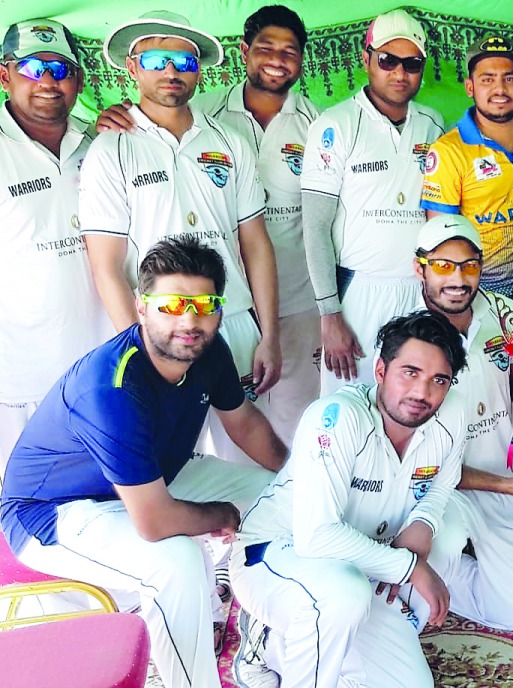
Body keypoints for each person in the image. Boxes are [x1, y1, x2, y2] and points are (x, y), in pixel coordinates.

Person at [0, 236, 287, 688]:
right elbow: (155, 522)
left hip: (153, 479)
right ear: (141, 306)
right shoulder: (111, 386)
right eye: (172, 304)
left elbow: (245, 424)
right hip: (56, 510)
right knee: (175, 562)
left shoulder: (208, 349)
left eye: (205, 304)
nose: (189, 320)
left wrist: (295, 478)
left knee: (280, 502)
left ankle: (255, 643)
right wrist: (225, 516)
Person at [96, 6, 322, 446]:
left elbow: (255, 243)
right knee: (177, 457)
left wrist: (269, 335)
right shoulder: (112, 149)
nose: (171, 72)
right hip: (158, 330)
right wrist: (139, 351)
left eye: (183, 62)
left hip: (233, 321)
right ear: (132, 67)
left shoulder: (227, 141)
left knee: (250, 446)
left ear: (198, 69)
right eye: (157, 61)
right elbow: (106, 266)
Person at [231, 311, 468, 688]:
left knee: (449, 531)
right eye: (410, 372)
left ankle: (283, 644)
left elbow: (443, 482)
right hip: (277, 554)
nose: (422, 393)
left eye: (438, 380)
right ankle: (270, 633)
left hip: (360, 559)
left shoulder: (451, 411)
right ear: (379, 371)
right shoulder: (337, 417)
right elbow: (316, 536)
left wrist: (424, 521)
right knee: (343, 595)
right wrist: (409, 567)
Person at [363, 214, 513, 631]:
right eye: (443, 265)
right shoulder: (404, 330)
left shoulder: (504, 311)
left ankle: (436, 582)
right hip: (433, 489)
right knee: (444, 538)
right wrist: (509, 485)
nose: (458, 278)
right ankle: (402, 593)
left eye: (469, 265)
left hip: (501, 475)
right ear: (420, 268)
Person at [302, 8, 445, 390]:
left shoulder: (432, 124)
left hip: (421, 291)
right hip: (358, 293)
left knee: (418, 402)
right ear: (366, 60)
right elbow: (314, 227)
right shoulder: (336, 124)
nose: (400, 73)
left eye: (412, 63)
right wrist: (329, 315)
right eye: (388, 60)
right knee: (352, 405)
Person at [0, 18, 111, 487]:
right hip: (19, 372)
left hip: (102, 361)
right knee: (27, 504)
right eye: (32, 67)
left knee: (108, 498)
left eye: (61, 69)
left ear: (79, 80)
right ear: (5, 75)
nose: (48, 81)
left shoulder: (103, 140)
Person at [421, 36, 513, 325]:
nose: (500, 89)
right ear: (470, 87)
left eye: (509, 78)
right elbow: (441, 240)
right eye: (487, 79)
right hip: (482, 298)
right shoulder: (449, 151)